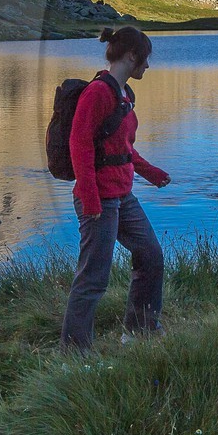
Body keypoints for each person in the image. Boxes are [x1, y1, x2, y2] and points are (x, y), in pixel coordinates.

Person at [62, 25, 171, 349]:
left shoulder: (125, 94)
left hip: (123, 196)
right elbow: (79, 145)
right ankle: (73, 353)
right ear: (131, 56)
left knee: (151, 256)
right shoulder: (97, 92)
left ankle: (140, 332)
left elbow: (122, 148)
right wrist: (92, 201)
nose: (148, 67)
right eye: (146, 59)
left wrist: (150, 172)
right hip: (99, 201)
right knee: (93, 278)